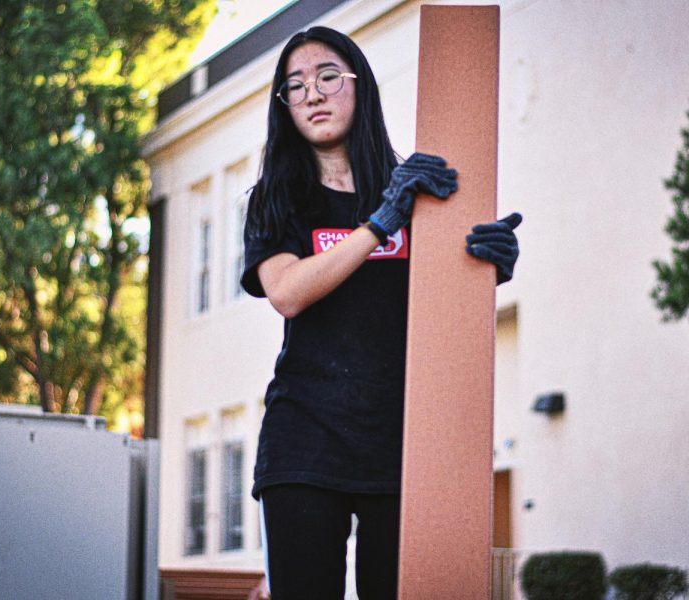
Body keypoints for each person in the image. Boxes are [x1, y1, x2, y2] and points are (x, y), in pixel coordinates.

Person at [240, 26, 521, 600]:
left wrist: (486, 270)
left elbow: (441, 305)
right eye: (295, 87)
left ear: (359, 87)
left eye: (327, 78)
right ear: (285, 107)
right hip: (304, 444)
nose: (313, 94)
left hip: (402, 446)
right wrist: (378, 225)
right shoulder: (278, 197)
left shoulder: (415, 193)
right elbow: (287, 292)